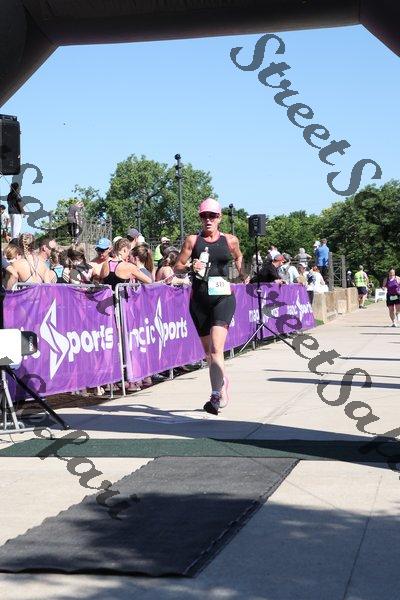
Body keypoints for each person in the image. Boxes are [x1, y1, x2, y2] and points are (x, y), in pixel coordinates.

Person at [174, 198, 248, 415]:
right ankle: (221, 382)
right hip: (199, 301)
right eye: (204, 216)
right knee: (209, 353)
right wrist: (190, 265)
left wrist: (243, 273)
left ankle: (215, 396)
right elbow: (177, 266)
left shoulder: (230, 240)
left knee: (216, 349)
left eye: (212, 216)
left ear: (219, 218)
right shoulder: (192, 240)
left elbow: (239, 256)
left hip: (223, 298)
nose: (208, 219)